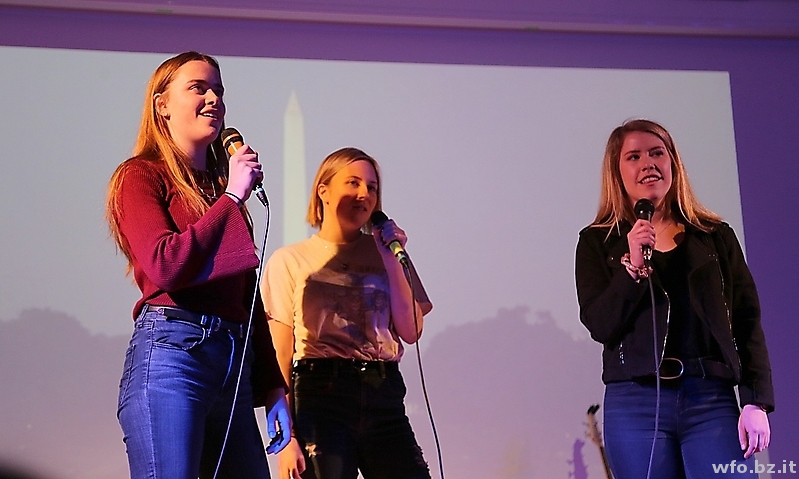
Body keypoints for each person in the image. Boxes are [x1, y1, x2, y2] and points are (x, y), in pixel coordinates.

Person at [106, 51, 290, 479]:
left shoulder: (220, 191)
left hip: (233, 364)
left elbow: (246, 295)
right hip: (174, 356)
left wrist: (272, 386)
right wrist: (232, 199)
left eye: (219, 91)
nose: (213, 99)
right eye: (198, 88)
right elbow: (165, 265)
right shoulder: (140, 176)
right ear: (162, 105)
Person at [575, 119, 774, 478]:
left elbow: (747, 322)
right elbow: (600, 324)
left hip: (710, 400)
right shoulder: (597, 242)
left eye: (657, 153)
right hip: (635, 403)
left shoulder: (714, 237)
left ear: (673, 163)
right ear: (617, 172)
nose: (648, 163)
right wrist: (633, 268)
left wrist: (755, 401)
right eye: (634, 156)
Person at [260, 147, 433, 479]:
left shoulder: (389, 253)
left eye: (372, 187)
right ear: (323, 191)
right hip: (320, 395)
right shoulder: (290, 260)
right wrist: (286, 438)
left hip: (383, 391)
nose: (364, 194)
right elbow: (280, 352)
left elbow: (411, 331)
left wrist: (391, 259)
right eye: (353, 183)